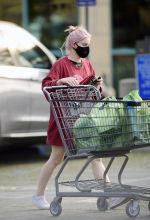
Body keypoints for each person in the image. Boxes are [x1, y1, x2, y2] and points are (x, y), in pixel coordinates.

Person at [32, 25, 127, 210]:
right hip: (63, 120)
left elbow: (92, 93)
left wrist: (97, 85)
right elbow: (46, 86)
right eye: (84, 44)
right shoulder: (61, 64)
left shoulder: (87, 65)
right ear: (74, 45)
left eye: (88, 44)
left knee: (96, 156)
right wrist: (60, 81)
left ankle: (110, 194)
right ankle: (38, 195)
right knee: (56, 158)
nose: (86, 48)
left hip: (82, 120)